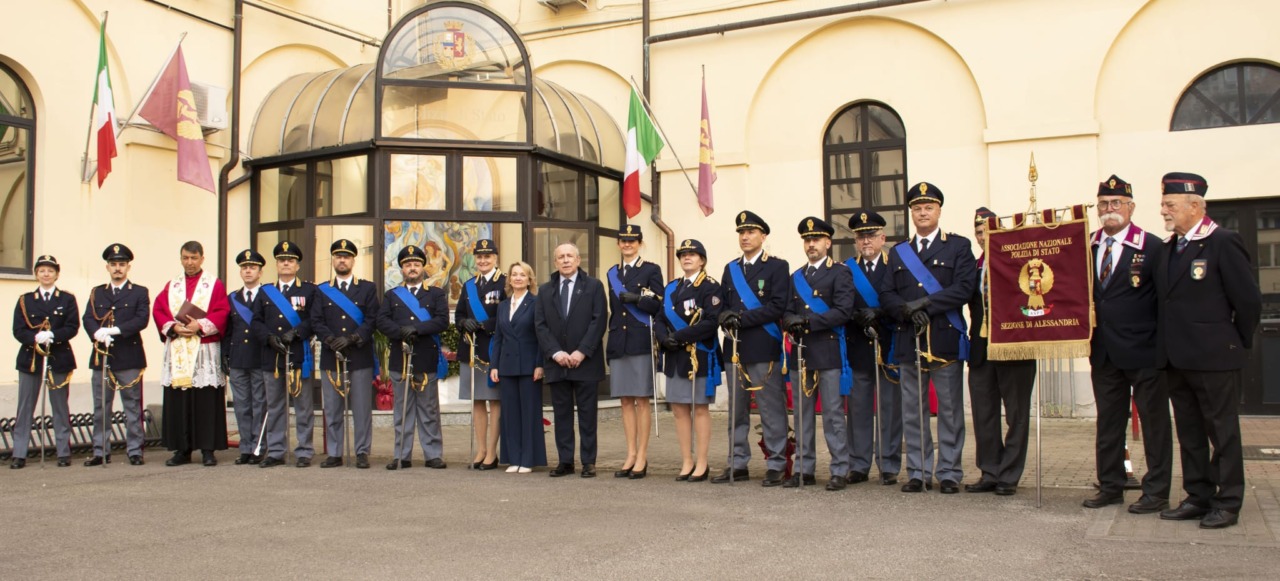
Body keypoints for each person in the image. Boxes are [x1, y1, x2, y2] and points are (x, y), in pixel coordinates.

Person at [1154, 172, 1261, 529]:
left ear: (1195, 206)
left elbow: (1248, 301)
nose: (1163, 210)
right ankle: (1197, 496)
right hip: (1177, 358)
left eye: (1170, 204)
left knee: (1223, 433)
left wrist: (1234, 342)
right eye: (1163, 204)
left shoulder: (1223, 242)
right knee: (1190, 433)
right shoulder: (1169, 247)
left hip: (1214, 356)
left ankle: (1227, 501)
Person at [1081, 176, 1173, 513]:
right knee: (1108, 424)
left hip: (1145, 351)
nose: (1109, 209)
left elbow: (1165, 300)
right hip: (1104, 351)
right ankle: (1111, 485)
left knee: (1154, 424)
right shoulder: (1087, 246)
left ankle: (1156, 491)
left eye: (1116, 203)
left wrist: (1164, 348)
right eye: (1103, 204)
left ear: (1131, 207)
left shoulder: (1151, 246)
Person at [878, 182, 975, 494]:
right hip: (909, 338)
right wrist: (906, 312)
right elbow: (886, 293)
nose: (923, 213)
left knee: (949, 411)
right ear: (911, 213)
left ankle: (949, 472)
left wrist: (925, 304)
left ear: (939, 211)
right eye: (917, 208)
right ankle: (918, 472)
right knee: (913, 411)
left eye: (928, 207)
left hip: (944, 338)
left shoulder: (957, 246)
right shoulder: (898, 252)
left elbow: (964, 288)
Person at [714, 211, 791, 486]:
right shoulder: (730, 268)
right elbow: (722, 304)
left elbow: (777, 306)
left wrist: (741, 318)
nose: (745, 237)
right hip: (735, 348)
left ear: (763, 236)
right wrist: (724, 316)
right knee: (736, 411)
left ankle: (777, 463)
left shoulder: (777, 267)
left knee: (770, 409)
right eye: (741, 233)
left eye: (751, 232)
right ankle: (737, 463)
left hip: (763, 346)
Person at [965, 208, 1037, 496]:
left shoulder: (1017, 261)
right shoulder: (974, 266)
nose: (983, 237)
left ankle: (1009, 474)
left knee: (1016, 415)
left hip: (1014, 346)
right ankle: (990, 471)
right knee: (984, 414)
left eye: (988, 231)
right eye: (979, 233)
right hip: (981, 348)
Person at [782, 218, 855, 490]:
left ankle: (839, 469)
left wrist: (808, 322)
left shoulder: (840, 273)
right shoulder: (796, 276)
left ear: (828, 242)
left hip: (827, 349)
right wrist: (789, 320)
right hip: (801, 353)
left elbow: (843, 310)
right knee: (802, 414)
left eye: (816, 239)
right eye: (807, 240)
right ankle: (804, 469)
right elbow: (787, 309)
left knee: (833, 413)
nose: (811, 244)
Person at [152, 241, 230, 467]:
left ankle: (207, 449)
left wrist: (201, 325)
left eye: (194, 258)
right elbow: (159, 310)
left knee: (205, 400)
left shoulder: (213, 284)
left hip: (203, 349)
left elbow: (222, 311)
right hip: (178, 347)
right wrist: (173, 327)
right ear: (181, 258)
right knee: (180, 400)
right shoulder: (172, 285)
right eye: (185, 258)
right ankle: (181, 450)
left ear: (202, 259)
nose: (190, 262)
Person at [534, 243, 608, 479]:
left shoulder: (594, 286)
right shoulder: (545, 290)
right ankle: (565, 461)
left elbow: (599, 320)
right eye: (561, 257)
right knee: (562, 415)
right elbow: (540, 325)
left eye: (569, 256)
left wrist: (582, 351)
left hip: (585, 362)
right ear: (555, 262)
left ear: (578, 260)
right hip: (558, 364)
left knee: (588, 416)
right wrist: (556, 353)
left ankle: (588, 462)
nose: (565, 260)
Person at [376, 245, 450, 470]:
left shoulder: (436, 294)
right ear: (402, 269)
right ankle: (402, 455)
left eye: (416, 264)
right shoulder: (392, 295)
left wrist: (417, 329)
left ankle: (433, 455)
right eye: (408, 264)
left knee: (429, 410)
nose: (412, 268)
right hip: (400, 358)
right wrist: (401, 332)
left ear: (423, 267)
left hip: (425, 357)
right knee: (402, 410)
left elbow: (442, 320)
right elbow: (382, 321)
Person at [843, 211, 902, 485]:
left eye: (871, 235)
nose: (866, 241)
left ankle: (888, 465)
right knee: (858, 411)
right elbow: (839, 302)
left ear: (882, 238)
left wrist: (880, 313)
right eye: (860, 236)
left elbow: (901, 300)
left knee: (890, 410)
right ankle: (858, 464)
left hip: (889, 346)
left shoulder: (895, 266)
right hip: (858, 347)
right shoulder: (846, 269)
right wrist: (856, 316)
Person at [657, 239, 722, 482]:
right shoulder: (671, 287)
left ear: (702, 260)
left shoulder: (710, 287)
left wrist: (678, 336)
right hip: (675, 356)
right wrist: (663, 339)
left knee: (700, 409)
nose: (686, 258)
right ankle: (686, 460)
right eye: (683, 254)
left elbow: (711, 322)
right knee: (678, 409)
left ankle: (702, 462)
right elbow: (660, 317)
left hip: (699, 356)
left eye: (692, 254)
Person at [313, 239, 379, 469]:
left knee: (361, 409)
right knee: (332, 408)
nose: (342, 260)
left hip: (359, 355)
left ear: (353, 260)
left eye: (346, 256)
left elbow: (372, 319)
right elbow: (316, 320)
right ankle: (334, 452)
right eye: (338, 256)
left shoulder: (367, 288)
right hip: (331, 355)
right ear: (333, 260)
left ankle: (362, 451)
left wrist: (353, 338)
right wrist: (330, 339)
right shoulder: (322, 290)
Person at [83, 244, 150, 466]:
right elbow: (88, 317)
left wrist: (116, 330)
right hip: (102, 355)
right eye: (113, 264)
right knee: (101, 406)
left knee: (132, 405)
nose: (117, 268)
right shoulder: (97, 292)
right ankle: (100, 450)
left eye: (122, 264)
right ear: (107, 267)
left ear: (128, 267)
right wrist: (97, 333)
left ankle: (135, 450)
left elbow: (141, 319)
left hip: (129, 355)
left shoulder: (139, 292)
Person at [605, 225, 664, 479]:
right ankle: (630, 453)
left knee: (641, 400)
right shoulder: (612, 273)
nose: (627, 244)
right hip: (620, 341)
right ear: (618, 244)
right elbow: (614, 310)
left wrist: (638, 299)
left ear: (639, 243)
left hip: (640, 340)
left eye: (632, 240)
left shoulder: (651, 270)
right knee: (625, 400)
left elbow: (659, 304)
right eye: (623, 240)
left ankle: (642, 455)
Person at [10, 255, 79, 469]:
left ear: (57, 274)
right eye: (42, 271)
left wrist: (53, 335)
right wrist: (35, 338)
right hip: (31, 358)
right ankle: (19, 453)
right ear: (36, 274)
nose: (46, 274)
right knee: (25, 407)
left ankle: (63, 452)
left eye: (50, 271)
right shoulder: (26, 300)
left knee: (60, 406)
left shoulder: (67, 299)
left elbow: (72, 326)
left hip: (58, 357)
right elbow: (18, 329)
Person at [252, 241, 316, 468]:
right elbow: (256, 321)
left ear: (297, 265)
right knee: (275, 406)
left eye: (290, 260)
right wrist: (269, 338)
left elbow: (314, 319)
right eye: (281, 260)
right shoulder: (265, 292)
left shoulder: (308, 290)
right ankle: (276, 451)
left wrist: (297, 333)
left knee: (303, 407)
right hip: (273, 356)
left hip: (298, 355)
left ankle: (304, 451)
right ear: (276, 264)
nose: (286, 263)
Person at [490, 261, 548, 474]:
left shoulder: (536, 302)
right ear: (509, 279)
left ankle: (528, 459)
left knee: (529, 413)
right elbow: (498, 338)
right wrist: (494, 366)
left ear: (529, 279)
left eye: (522, 275)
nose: (517, 278)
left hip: (529, 365)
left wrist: (540, 364)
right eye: (514, 274)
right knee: (510, 414)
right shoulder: (503, 305)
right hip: (506, 366)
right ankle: (513, 458)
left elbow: (542, 336)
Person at [456, 238, 507, 470]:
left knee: (495, 401)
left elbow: (508, 315)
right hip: (471, 349)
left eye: (487, 256)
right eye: (479, 257)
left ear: (495, 258)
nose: (483, 260)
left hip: (494, 348)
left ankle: (492, 452)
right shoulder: (469, 285)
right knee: (477, 400)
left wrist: (485, 325)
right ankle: (481, 449)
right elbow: (459, 315)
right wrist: (463, 323)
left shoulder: (504, 282)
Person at [224, 249, 268, 465]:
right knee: (242, 406)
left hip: (260, 358)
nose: (248, 271)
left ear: (260, 272)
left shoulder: (268, 296)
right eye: (244, 267)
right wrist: (225, 356)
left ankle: (259, 447)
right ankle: (245, 447)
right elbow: (227, 330)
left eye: (252, 267)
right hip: (238, 359)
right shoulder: (232, 298)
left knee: (259, 405)